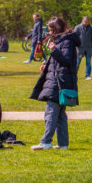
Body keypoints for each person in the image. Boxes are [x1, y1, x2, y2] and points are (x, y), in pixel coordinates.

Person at [30, 16, 80, 150]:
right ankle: (63, 144)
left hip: (60, 82)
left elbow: (66, 60)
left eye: (51, 30)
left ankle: (46, 142)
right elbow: (59, 61)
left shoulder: (67, 42)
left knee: (50, 113)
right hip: (58, 80)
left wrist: (53, 50)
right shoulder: (62, 41)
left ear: (57, 29)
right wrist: (47, 65)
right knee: (60, 115)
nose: (49, 33)